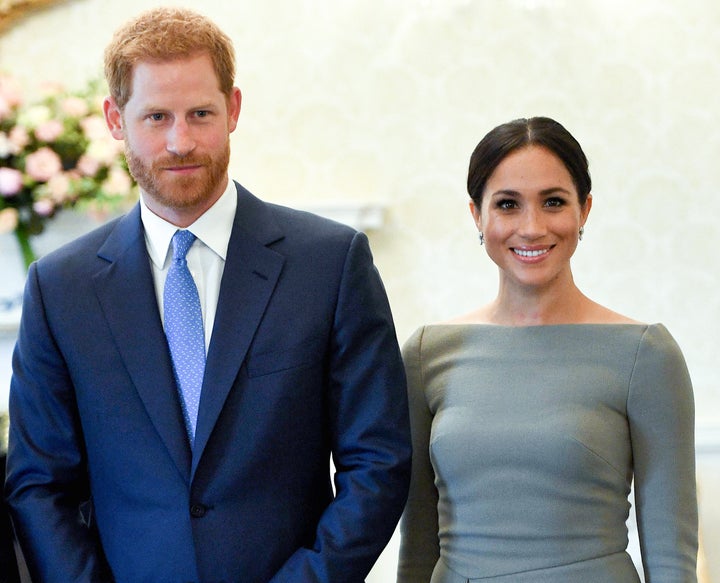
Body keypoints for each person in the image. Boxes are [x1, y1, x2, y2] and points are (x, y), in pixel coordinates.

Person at [4, 7, 411, 582]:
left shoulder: (330, 263)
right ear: (115, 120)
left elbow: (379, 461)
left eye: (200, 113)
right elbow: (38, 484)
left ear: (234, 109)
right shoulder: (60, 287)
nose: (181, 141)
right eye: (156, 117)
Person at [397, 117, 698, 582]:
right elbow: (417, 546)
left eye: (553, 202)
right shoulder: (425, 355)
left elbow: (670, 557)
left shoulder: (645, 354)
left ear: (585, 210)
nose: (532, 227)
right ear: (477, 215)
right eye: (508, 205)